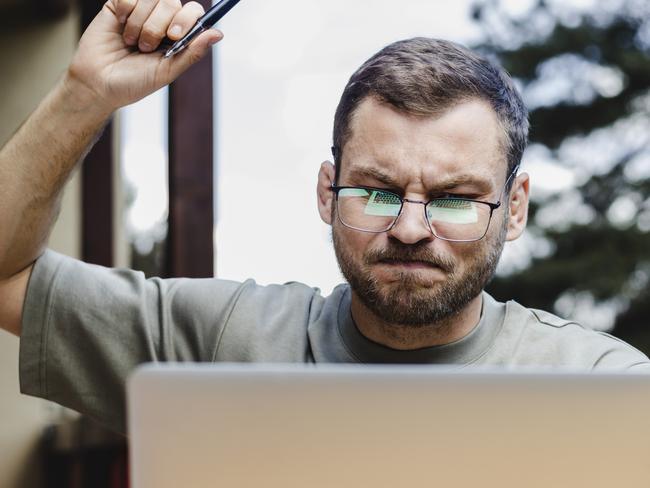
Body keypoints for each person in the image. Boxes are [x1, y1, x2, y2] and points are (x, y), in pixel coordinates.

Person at [0, 0, 648, 434]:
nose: (411, 229)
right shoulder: (221, 342)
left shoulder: (606, 391)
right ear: (325, 191)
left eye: (453, 198)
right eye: (377, 191)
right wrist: (84, 96)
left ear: (514, 209)